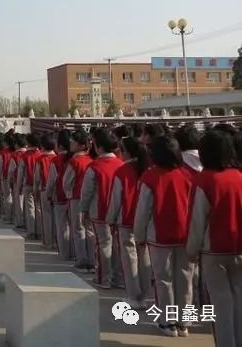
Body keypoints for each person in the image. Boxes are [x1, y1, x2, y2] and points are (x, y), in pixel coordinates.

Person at [134, 135, 195, 338]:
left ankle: (168, 322)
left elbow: (143, 211)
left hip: (159, 236)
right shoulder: (188, 175)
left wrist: (139, 235)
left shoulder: (150, 177)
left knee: (163, 280)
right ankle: (184, 322)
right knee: (185, 279)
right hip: (186, 235)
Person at [187, 129, 242, 347]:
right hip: (239, 247)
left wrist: (192, 250)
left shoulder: (204, 180)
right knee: (239, 299)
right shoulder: (239, 177)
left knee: (220, 304)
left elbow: (197, 220)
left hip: (214, 250)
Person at [106, 137, 152, 310]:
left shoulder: (122, 171)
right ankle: (146, 296)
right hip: (145, 221)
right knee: (145, 258)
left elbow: (116, 199)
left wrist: (110, 219)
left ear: (127, 152)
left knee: (129, 259)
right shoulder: (148, 169)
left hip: (126, 220)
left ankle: (134, 295)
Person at [79, 128, 123, 289]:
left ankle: (104, 278)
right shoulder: (121, 164)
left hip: (100, 211)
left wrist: (83, 210)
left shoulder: (95, 166)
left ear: (100, 147)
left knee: (103, 244)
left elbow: (87, 192)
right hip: (118, 212)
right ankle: (119, 278)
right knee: (118, 246)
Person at [64, 129, 95, 272]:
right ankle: (93, 260)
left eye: (74, 142)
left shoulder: (74, 161)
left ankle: (82, 260)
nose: (71, 144)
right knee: (90, 229)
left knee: (78, 229)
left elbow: (67, 182)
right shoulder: (91, 160)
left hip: (76, 197)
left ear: (81, 145)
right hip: (91, 199)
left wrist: (68, 194)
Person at [47, 130, 72, 260]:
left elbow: (51, 180)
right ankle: (75, 253)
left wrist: (48, 194)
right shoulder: (74, 158)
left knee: (62, 226)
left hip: (60, 195)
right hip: (72, 198)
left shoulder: (56, 160)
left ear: (60, 145)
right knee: (75, 227)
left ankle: (64, 252)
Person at [33, 133, 56, 248]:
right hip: (57, 191)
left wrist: (35, 189)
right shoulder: (57, 158)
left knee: (46, 217)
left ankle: (47, 241)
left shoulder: (40, 159)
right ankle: (57, 241)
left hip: (44, 189)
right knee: (56, 217)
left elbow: (37, 177)